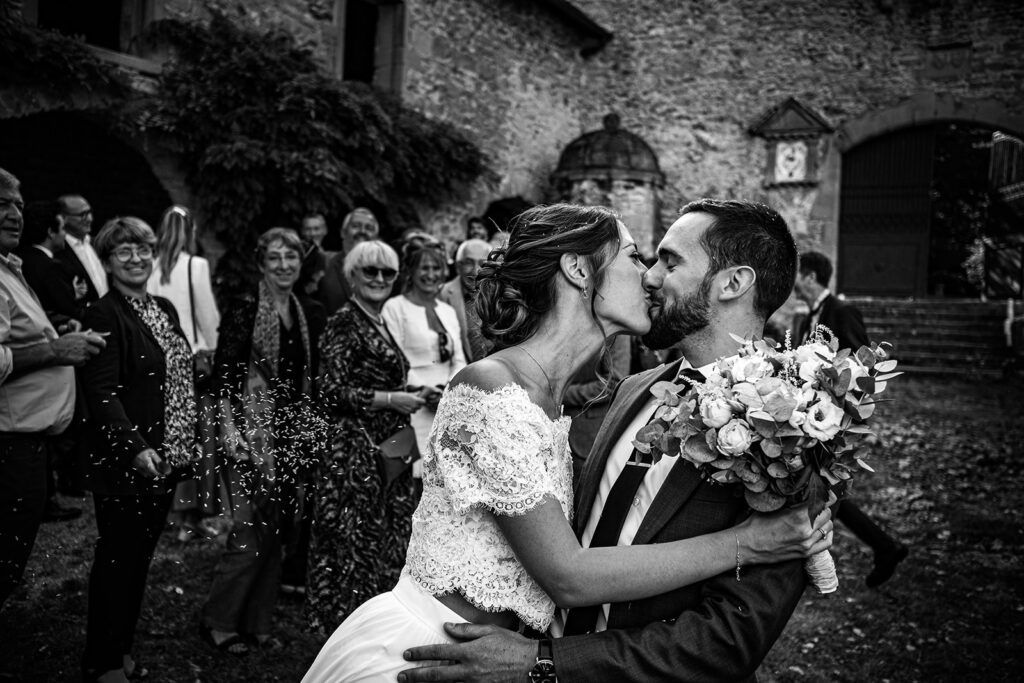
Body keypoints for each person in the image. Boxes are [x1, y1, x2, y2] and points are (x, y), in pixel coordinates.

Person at [302, 203, 832, 682]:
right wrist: (745, 542)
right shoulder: (592, 392)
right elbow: (567, 570)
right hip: (437, 655)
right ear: (578, 271)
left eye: (667, 261)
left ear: (734, 282)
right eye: (637, 258)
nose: (650, 276)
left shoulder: (795, 430)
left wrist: (547, 663)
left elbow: (727, 641)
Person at [79, 216, 196, 683]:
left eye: (143, 249)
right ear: (107, 262)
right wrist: (134, 449)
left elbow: (176, 371)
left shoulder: (163, 307)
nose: (136, 259)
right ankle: (103, 662)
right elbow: (101, 391)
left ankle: (120, 648)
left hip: (167, 457)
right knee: (117, 562)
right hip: (129, 462)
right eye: (123, 251)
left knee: (138, 560)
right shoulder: (103, 314)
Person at [200, 227, 324, 656]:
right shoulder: (245, 308)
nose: (284, 265)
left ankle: (257, 621)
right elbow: (223, 375)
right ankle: (219, 621)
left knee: (276, 533)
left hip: (290, 433)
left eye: (291, 257)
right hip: (250, 431)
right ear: (261, 263)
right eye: (275, 257)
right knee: (248, 530)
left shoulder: (304, 311)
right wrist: (229, 429)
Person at [305, 240, 426, 634]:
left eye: (387, 272)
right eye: (369, 271)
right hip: (356, 452)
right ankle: (346, 631)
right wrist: (392, 399)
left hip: (389, 447)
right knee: (354, 543)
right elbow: (329, 390)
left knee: (385, 538)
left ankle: (374, 627)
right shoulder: (344, 322)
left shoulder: (377, 320)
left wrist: (413, 393)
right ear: (351, 276)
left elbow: (373, 377)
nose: (379, 278)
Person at [0, 168, 105, 610]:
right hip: (9, 444)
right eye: (2, 204)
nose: (14, 215)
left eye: (18, 205)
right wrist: (54, 350)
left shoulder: (10, 267)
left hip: (26, 440)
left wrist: (54, 332)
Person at [794, 250, 909, 588]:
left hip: (834, 418)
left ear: (810, 277)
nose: (793, 280)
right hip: (809, 416)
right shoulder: (805, 318)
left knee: (820, 487)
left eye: (798, 273)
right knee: (818, 487)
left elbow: (864, 367)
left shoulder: (842, 311)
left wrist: (848, 412)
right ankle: (883, 547)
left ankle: (878, 548)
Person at [146, 205, 222, 540]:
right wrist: (217, 350)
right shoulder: (196, 265)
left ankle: (168, 511)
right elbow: (208, 317)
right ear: (190, 231)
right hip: (193, 365)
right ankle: (192, 516)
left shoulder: (148, 266)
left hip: (156, 363)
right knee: (201, 440)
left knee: (167, 436)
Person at [15, 200, 85, 522]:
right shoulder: (46, 265)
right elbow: (63, 307)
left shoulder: (20, 262)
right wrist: (76, 302)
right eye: (62, 228)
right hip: (42, 372)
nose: (64, 236)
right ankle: (48, 497)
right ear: (50, 230)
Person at [382, 240, 467, 475]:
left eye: (436, 268)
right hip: (412, 403)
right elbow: (394, 359)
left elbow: (459, 358)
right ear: (410, 271)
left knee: (446, 472)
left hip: (446, 403)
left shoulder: (447, 311)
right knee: (416, 473)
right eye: (424, 268)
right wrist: (424, 391)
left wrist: (447, 390)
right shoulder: (394, 308)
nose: (431, 275)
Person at [563, 334, 631, 485]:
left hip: (587, 433)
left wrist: (562, 394)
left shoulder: (617, 333)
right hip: (550, 426)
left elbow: (613, 383)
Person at [438, 238, 492, 363]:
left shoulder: (500, 296)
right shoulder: (441, 294)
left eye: (482, 264)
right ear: (458, 266)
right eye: (469, 262)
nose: (475, 271)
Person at [318, 207, 380, 314]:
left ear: (375, 237)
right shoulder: (325, 266)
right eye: (356, 226)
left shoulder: (386, 272)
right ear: (343, 232)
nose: (362, 231)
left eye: (369, 228)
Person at [56, 194, 107, 302]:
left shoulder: (97, 243)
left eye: (89, 212)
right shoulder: (58, 251)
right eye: (82, 215)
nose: (90, 219)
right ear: (63, 217)